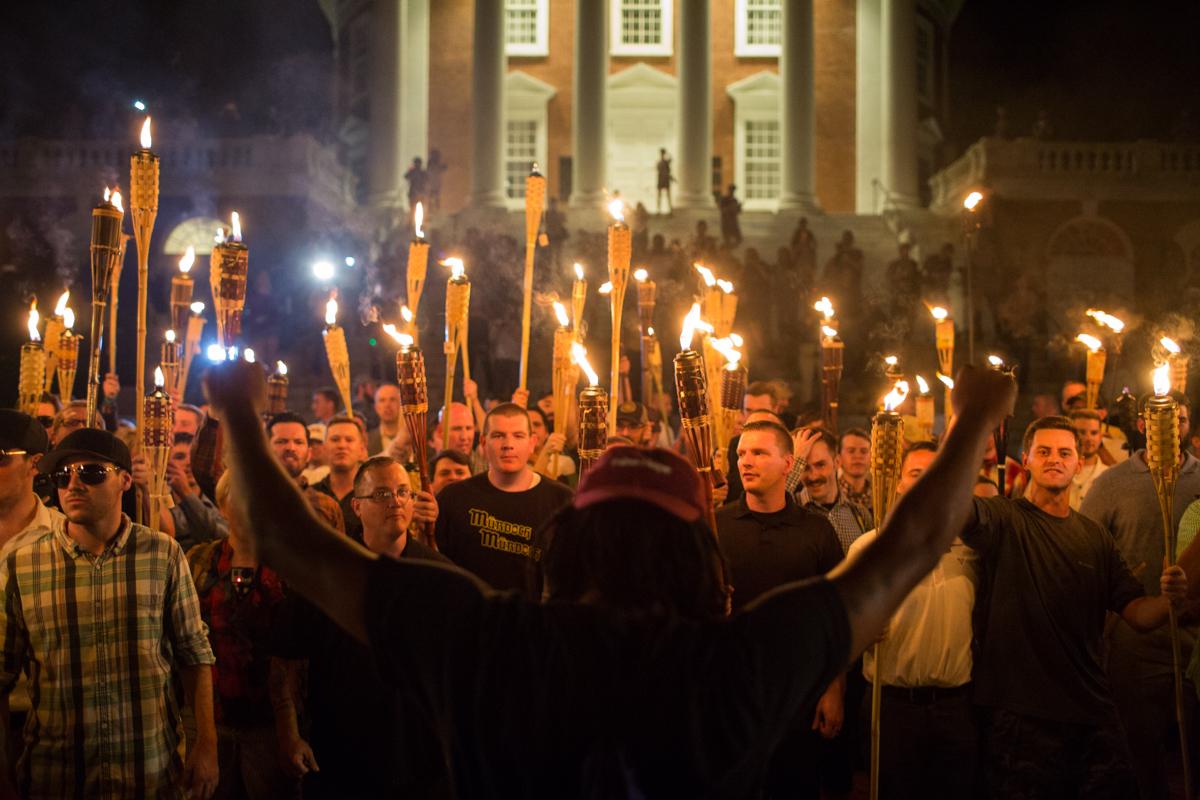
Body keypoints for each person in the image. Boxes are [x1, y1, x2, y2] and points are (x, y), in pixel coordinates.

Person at [201, 358, 1019, 798]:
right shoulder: (742, 661)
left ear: (567, 542)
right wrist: (978, 417)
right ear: (700, 558)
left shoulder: (480, 638)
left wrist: (237, 409)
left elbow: (287, 538)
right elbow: (910, 546)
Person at [966, 416, 1187, 797]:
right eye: (1045, 451)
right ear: (1027, 458)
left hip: (1090, 711)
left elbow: (1138, 613)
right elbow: (955, 510)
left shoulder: (1094, 536)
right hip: (1021, 716)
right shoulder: (1003, 519)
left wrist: (1170, 599)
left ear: (1078, 463)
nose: (1055, 459)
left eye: (1065, 452)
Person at [0, 428, 218, 799]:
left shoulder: (162, 555)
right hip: (56, 776)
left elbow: (194, 655)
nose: (73, 485)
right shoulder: (23, 563)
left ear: (125, 480)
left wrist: (207, 745)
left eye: (91, 473)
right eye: (62, 476)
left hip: (149, 771)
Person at [270, 457, 450, 798]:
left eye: (402, 492)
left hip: (421, 759)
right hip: (341, 754)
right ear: (356, 506)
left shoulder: (440, 577)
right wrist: (288, 734)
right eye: (381, 493)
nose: (395, 502)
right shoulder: (326, 573)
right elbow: (285, 660)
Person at [716, 421, 846, 799]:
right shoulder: (718, 525)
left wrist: (834, 689)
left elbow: (834, 615)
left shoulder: (816, 531)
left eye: (759, 453)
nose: (746, 462)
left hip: (797, 693)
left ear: (788, 463)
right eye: (741, 453)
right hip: (732, 693)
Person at [1081, 392, 1199, 800]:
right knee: (1140, 747)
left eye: (1181, 419)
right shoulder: (1111, 485)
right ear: (1144, 425)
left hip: (1195, 636)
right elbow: (1087, 553)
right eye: (1163, 419)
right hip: (1136, 635)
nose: (1173, 427)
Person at [845, 441, 979, 799]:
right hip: (891, 707)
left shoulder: (973, 547)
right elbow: (843, 628)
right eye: (915, 474)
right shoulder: (869, 548)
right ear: (900, 482)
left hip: (955, 708)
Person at [187, 471, 294, 800]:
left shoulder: (289, 566)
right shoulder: (200, 561)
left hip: (270, 719)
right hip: (212, 716)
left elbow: (297, 649)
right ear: (221, 506)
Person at [434, 403, 572, 594]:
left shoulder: (562, 501)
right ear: (483, 443)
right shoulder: (453, 498)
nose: (508, 444)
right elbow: (435, 565)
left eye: (518, 435)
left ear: (532, 443)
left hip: (531, 620)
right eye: (498, 436)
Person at [266, 413, 346, 533]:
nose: (291, 448)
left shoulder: (327, 507)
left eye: (298, 442)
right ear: (265, 449)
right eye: (281, 441)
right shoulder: (246, 500)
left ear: (309, 454)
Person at [796, 429, 871, 553]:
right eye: (804, 467)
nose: (813, 476)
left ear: (837, 462)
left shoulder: (859, 514)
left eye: (820, 465)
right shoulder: (792, 506)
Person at [166, 431, 229, 552]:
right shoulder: (163, 501)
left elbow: (221, 538)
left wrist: (185, 492)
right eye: (180, 457)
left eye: (193, 456)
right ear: (168, 463)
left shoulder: (216, 498)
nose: (189, 462)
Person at [312, 416, 367, 540]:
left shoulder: (372, 496)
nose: (342, 445)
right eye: (335, 439)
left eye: (349, 440)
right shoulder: (311, 495)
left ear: (361, 449)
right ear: (325, 448)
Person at [1068, 409, 1109, 509]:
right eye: (1082, 432)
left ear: (1100, 436)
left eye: (1094, 433)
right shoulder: (1057, 471)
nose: (1088, 438)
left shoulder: (1109, 477)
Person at [431, 401, 485, 474]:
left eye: (469, 428)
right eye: (457, 429)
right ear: (441, 432)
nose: (464, 437)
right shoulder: (429, 471)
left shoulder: (486, 467)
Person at [366, 382, 405, 456]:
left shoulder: (412, 439)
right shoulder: (367, 441)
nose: (387, 405)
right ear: (376, 407)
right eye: (382, 400)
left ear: (401, 405)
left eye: (392, 399)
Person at [837, 427, 872, 509]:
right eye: (851, 451)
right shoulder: (831, 495)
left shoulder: (880, 496)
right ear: (838, 458)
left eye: (864, 451)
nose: (858, 456)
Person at [655, 147, 673, 214]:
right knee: (660, 196)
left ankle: (669, 209)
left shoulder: (665, 162)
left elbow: (671, 159)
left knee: (667, 195)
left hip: (665, 180)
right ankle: (659, 209)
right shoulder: (660, 162)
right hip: (662, 180)